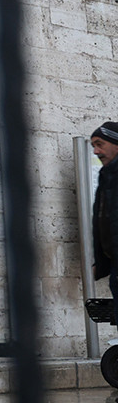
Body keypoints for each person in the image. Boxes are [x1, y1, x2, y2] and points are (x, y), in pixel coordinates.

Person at [92, 122, 118, 323]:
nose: (96, 151)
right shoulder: (106, 174)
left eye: (100, 144)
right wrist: (101, 262)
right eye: (93, 145)